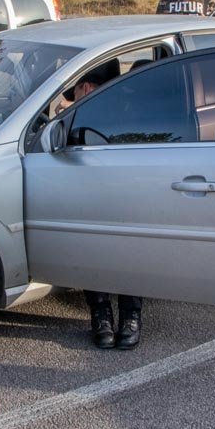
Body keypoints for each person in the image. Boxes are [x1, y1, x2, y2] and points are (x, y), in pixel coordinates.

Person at [64, 60, 143, 350]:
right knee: (91, 242)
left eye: (76, 90)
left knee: (126, 244)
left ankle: (130, 315)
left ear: (86, 87)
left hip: (126, 195)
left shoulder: (128, 112)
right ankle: (101, 315)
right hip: (91, 195)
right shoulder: (78, 113)